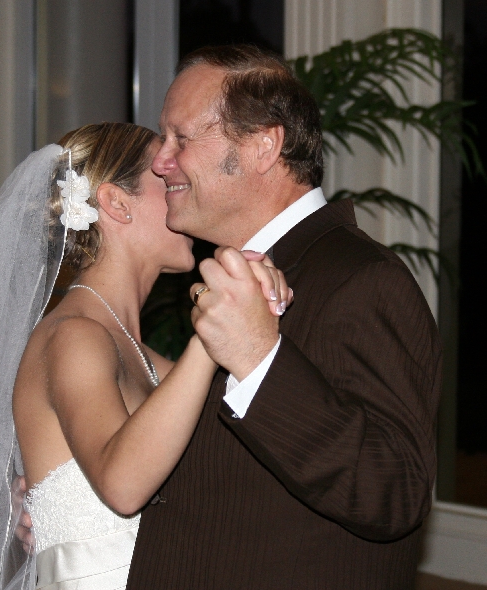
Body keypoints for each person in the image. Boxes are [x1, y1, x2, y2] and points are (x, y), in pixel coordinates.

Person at [0, 121, 287, 590]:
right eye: (163, 181)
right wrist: (212, 335)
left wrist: (259, 303)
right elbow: (122, 486)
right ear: (116, 203)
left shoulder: (143, 357)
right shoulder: (74, 336)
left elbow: (236, 470)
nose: (182, 188)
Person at [124, 45, 442, 590]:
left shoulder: (363, 279)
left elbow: (397, 493)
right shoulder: (232, 279)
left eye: (182, 138)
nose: (160, 161)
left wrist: (258, 359)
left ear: (262, 146)